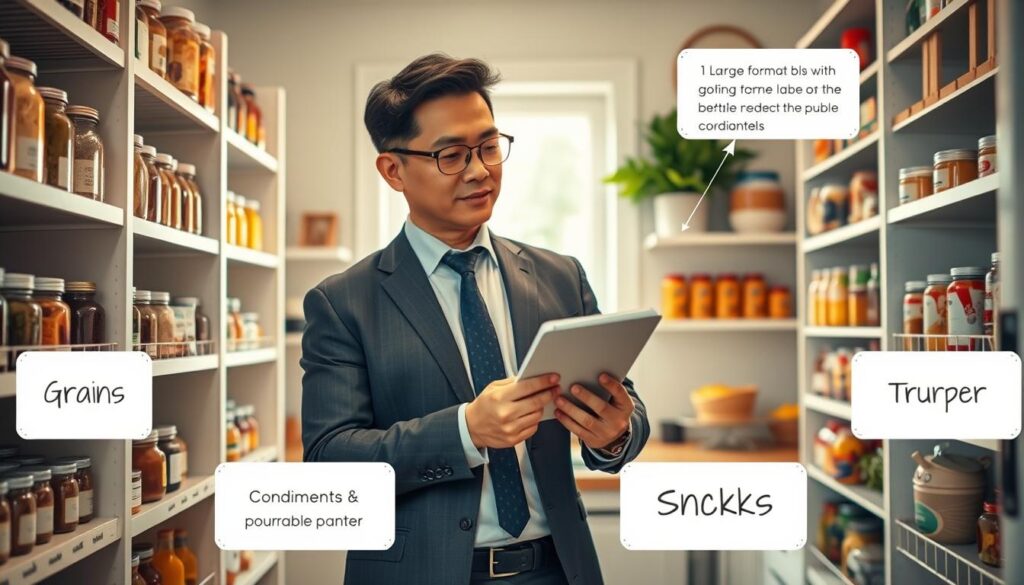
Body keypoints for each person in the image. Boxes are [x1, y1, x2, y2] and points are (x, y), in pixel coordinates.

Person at [301, 53, 649, 585]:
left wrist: (615, 433)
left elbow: (623, 401)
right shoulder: (343, 302)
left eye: (489, 147)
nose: (480, 170)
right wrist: (465, 430)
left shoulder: (561, 277)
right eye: (451, 155)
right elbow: (329, 462)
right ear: (393, 170)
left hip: (557, 569)